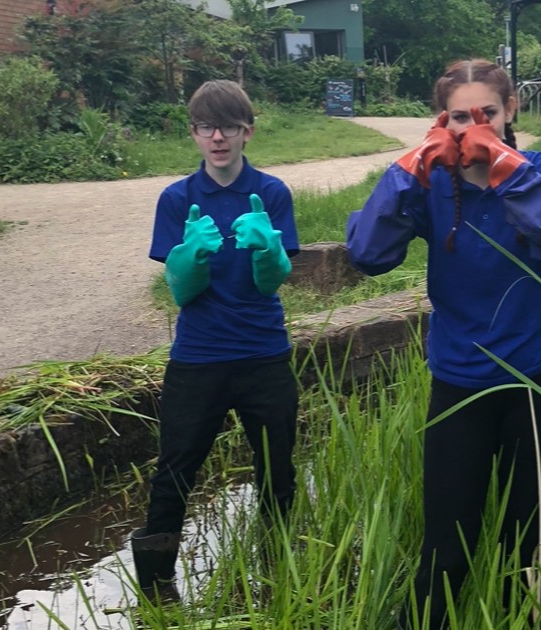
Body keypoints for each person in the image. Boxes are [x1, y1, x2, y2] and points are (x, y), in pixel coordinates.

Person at [346, 59, 541, 629]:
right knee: (447, 541)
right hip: (459, 378)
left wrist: (506, 167)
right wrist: (408, 168)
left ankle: (520, 618)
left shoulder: (537, 170)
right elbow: (368, 255)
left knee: (527, 536)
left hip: (535, 374)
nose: (473, 128)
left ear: (511, 113)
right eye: (460, 117)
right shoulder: (432, 180)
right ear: (441, 121)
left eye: (487, 115)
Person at [132, 79, 300, 601]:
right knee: (174, 470)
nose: (218, 137)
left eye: (229, 126)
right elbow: (181, 293)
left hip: (264, 355)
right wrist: (189, 257)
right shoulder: (177, 198)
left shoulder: (270, 193)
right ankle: (157, 588)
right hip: (198, 359)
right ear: (195, 134)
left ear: (247, 131)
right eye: (208, 127)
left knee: (277, 467)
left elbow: (273, 281)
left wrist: (269, 252)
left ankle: (277, 568)